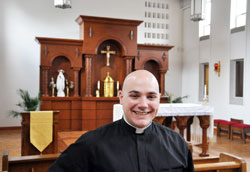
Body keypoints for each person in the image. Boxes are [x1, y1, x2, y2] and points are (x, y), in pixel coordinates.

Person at [48, 70, 194, 172]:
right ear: (121, 97)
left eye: (151, 97)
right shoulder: (91, 143)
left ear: (159, 99)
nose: (143, 104)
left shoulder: (177, 143)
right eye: (135, 96)